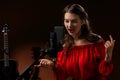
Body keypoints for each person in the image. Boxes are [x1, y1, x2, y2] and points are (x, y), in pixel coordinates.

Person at [36, 4, 115, 80]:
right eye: (67, 21)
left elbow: (104, 72)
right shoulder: (64, 44)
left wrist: (107, 58)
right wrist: (52, 65)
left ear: (83, 21)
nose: (69, 25)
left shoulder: (96, 41)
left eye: (74, 21)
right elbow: (62, 76)